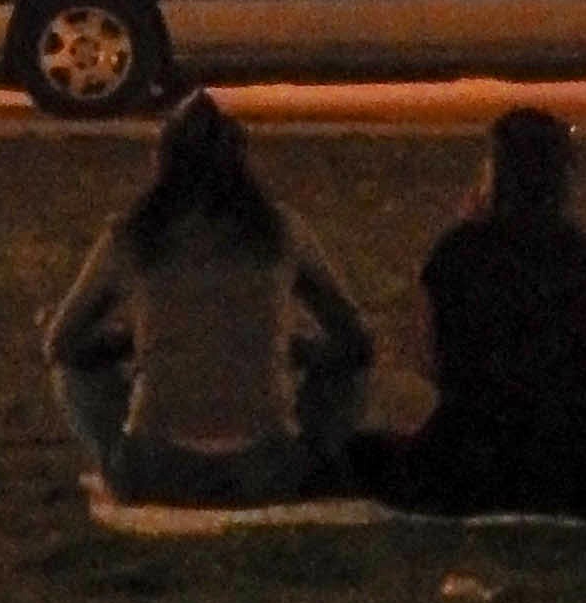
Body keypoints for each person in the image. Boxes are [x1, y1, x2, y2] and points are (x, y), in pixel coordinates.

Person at [350, 107, 586, 521]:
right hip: (573, 473)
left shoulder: (459, 254)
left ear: (495, 173)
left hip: (471, 465)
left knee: (362, 452)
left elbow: (432, 361)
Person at [45, 93, 374, 507]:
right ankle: (319, 461)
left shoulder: (131, 236)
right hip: (270, 471)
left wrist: (132, 344)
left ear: (161, 162)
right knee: (351, 371)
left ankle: (117, 458)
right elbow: (357, 342)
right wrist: (291, 349)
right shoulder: (281, 230)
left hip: (154, 471)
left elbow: (61, 344)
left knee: (74, 373)